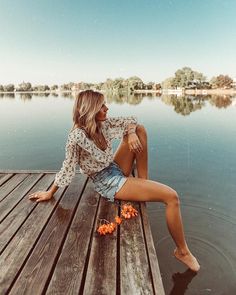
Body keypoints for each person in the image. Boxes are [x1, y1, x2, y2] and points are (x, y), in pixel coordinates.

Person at [28, 89, 200, 272]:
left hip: (114, 167)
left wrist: (132, 133)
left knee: (140, 129)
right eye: (102, 106)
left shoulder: (103, 124)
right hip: (106, 182)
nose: (106, 108)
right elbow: (67, 167)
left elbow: (131, 121)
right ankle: (182, 251)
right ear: (90, 109)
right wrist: (50, 192)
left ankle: (143, 184)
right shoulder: (77, 137)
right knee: (172, 197)